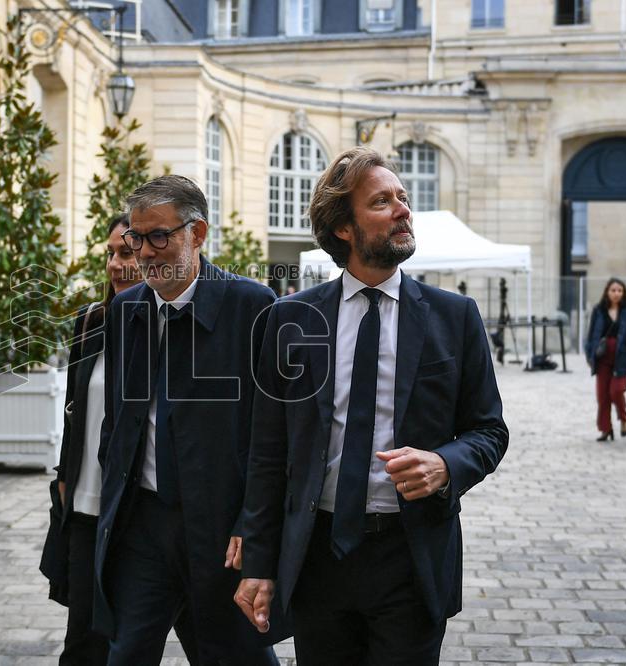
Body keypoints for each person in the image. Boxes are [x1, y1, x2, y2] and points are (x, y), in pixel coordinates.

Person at [235, 147, 509, 665]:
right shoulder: (291, 320)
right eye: (382, 202)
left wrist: (444, 464)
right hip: (317, 559)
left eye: (402, 197)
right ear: (343, 227)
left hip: (411, 555)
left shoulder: (455, 317)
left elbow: (490, 430)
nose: (404, 209)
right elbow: (267, 451)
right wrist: (259, 562)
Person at [94, 176, 281, 665]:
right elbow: (117, 420)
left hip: (223, 531)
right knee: (126, 654)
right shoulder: (125, 310)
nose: (144, 252)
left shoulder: (253, 307)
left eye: (159, 236)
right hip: (143, 525)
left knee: (236, 655)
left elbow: (274, 434)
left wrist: (253, 523)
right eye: (136, 237)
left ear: (197, 234)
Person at [40, 214, 200, 664]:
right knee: (86, 646)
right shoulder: (92, 321)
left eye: (127, 253)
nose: (116, 264)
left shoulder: (179, 323)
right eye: (111, 254)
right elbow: (76, 408)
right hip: (89, 511)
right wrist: (65, 479)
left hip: (151, 514)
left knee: (210, 641)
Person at [584, 278, 626, 441]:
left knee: (616, 391)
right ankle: (606, 429)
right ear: (607, 292)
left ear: (623, 293)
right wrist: (589, 355)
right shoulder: (599, 310)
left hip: (623, 358)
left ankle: (623, 419)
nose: (616, 293)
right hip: (602, 358)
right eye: (613, 290)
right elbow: (591, 334)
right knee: (602, 396)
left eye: (620, 290)